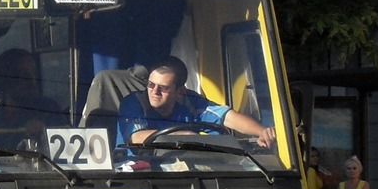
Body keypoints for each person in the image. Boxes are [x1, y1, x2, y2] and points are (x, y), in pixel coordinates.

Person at [115, 57, 276, 148]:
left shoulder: (191, 102)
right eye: (151, 85)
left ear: (180, 92)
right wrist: (185, 135)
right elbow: (136, 137)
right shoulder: (134, 103)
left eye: (163, 88)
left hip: (186, 171)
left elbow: (228, 117)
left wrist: (263, 132)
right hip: (138, 174)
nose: (154, 92)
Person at [0, 49, 60, 151]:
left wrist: (42, 135)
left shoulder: (49, 111)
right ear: (5, 79)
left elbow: (61, 158)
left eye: (33, 72)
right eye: (21, 74)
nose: (31, 79)